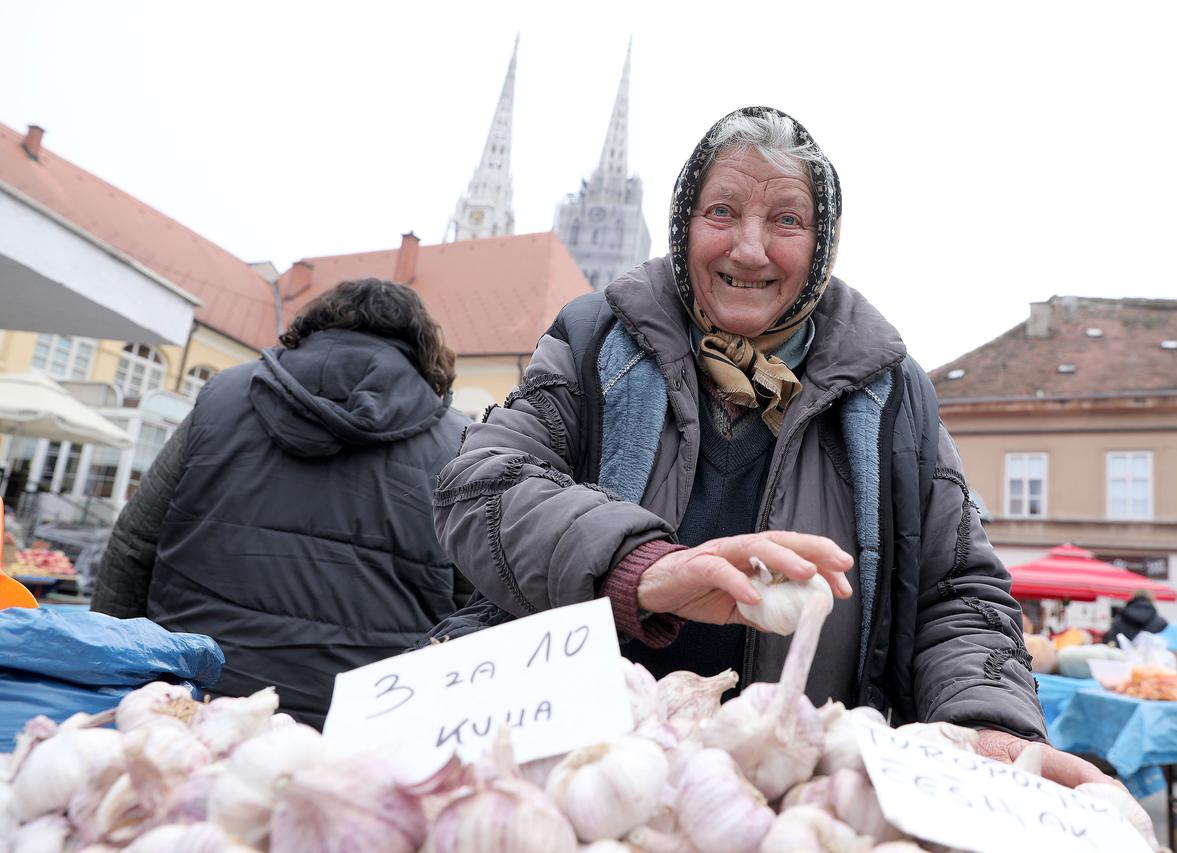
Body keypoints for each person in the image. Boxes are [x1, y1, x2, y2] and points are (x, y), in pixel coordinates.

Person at [432, 106, 1112, 787]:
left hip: (796, 799)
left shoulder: (890, 392)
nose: (749, 249)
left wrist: (986, 720)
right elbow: (480, 485)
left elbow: (959, 588)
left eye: (786, 219)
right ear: (682, 223)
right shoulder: (598, 342)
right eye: (722, 211)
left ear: (822, 244)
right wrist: (640, 568)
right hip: (587, 784)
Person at [92, 279, 472, 727]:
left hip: (188, 708)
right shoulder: (457, 444)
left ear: (314, 323)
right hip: (362, 726)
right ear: (423, 347)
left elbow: (133, 544)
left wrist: (109, 673)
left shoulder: (223, 399)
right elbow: (470, 607)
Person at [1103, 589, 1168, 644]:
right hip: (1152, 658)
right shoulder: (1161, 622)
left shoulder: (1119, 619)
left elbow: (1111, 640)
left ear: (1132, 598)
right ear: (1152, 599)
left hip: (1123, 656)